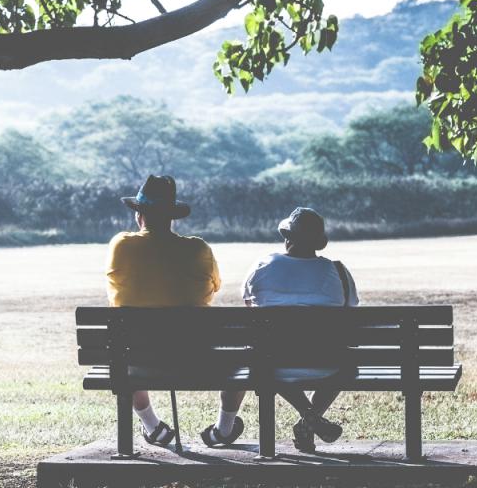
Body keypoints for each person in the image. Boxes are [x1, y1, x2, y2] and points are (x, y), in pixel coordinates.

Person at [200, 207, 359, 452]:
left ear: (287, 238)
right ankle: (310, 417)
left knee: (263, 352)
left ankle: (308, 414)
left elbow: (250, 308)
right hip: (328, 361)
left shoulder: (264, 266)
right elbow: (350, 317)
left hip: (271, 361)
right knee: (348, 360)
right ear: (318, 242)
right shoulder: (338, 272)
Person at [106, 175, 221, 447]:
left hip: (137, 355)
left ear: (139, 216)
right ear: (172, 217)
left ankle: (152, 426)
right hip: (194, 355)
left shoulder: (121, 246)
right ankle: (225, 428)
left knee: (124, 353)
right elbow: (215, 286)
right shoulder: (198, 249)